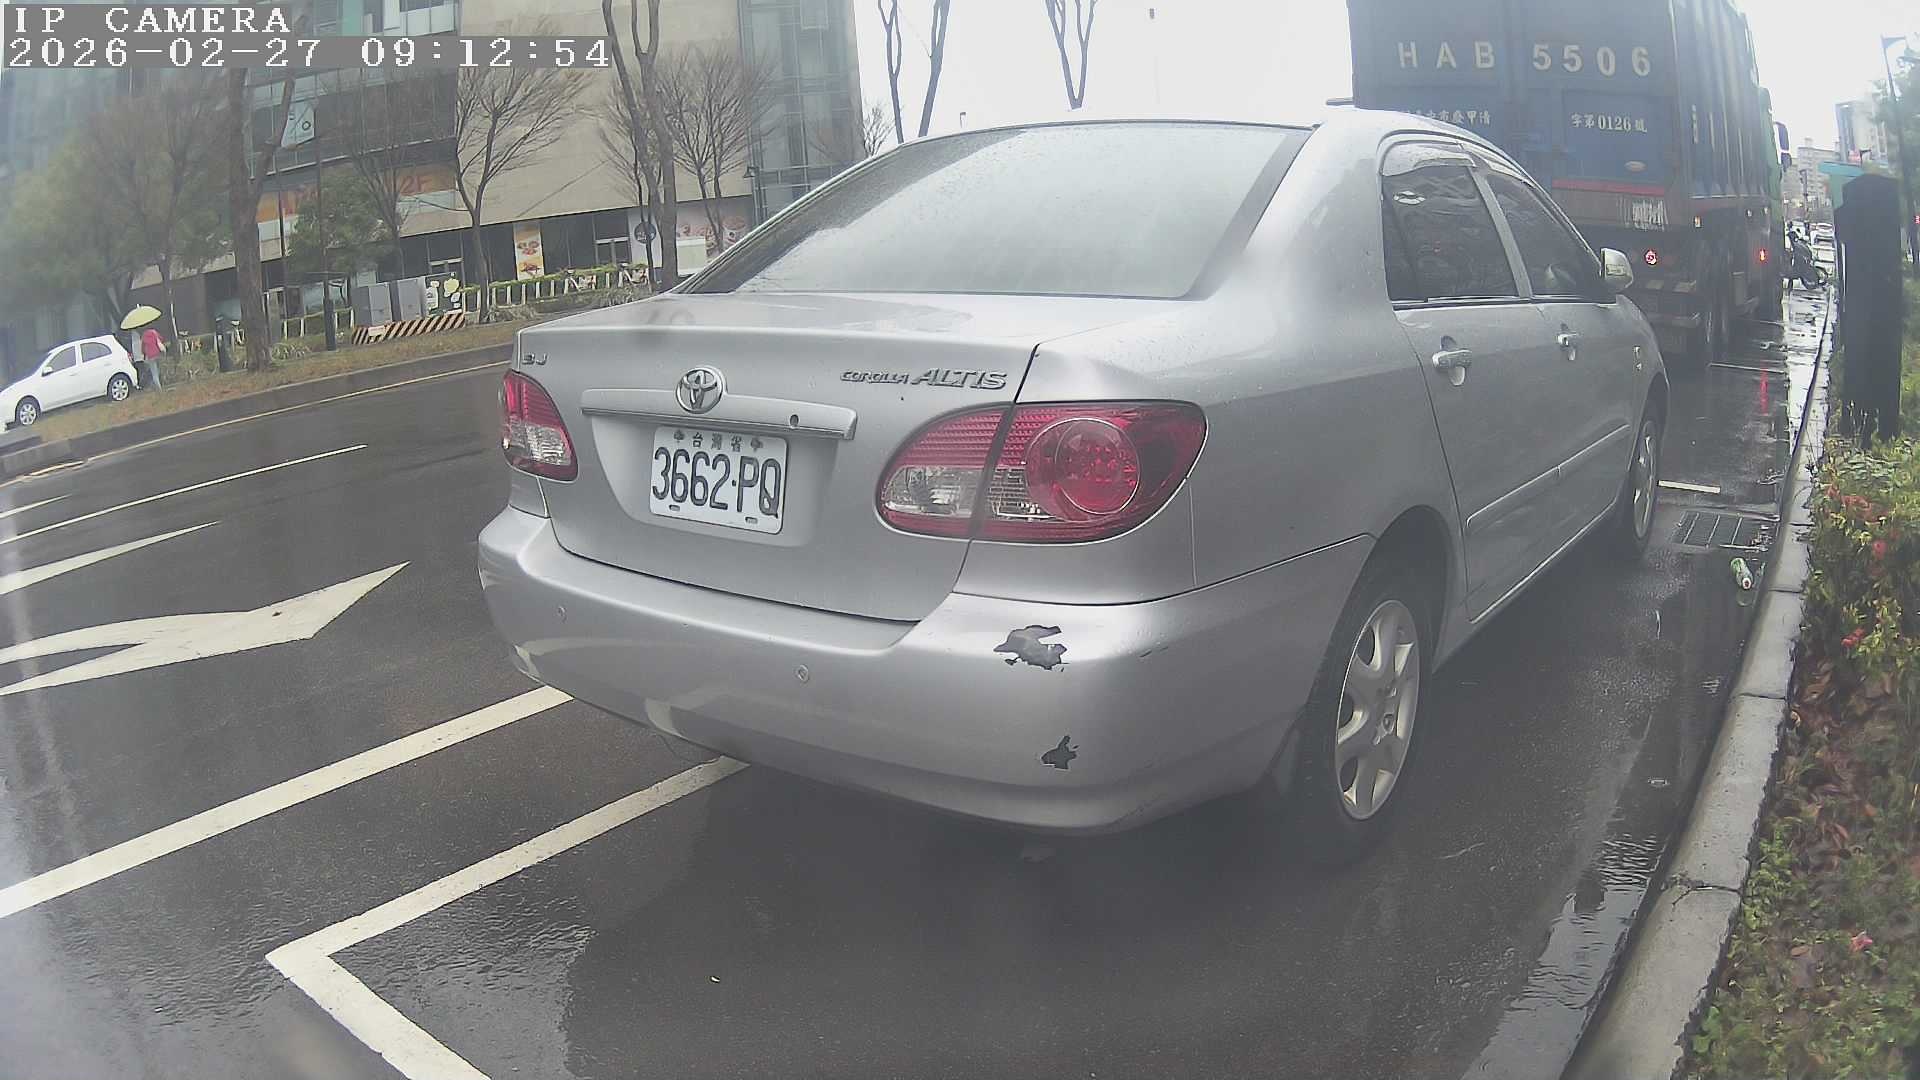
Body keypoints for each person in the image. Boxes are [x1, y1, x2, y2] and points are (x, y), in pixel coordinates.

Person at [1832, 173, 1904, 449]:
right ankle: (1882, 428)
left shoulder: (1854, 224)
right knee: (1881, 363)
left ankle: (1862, 423)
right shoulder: (1886, 216)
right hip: (1882, 304)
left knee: (1864, 360)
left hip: (1863, 304)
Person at [139, 324, 166, 391]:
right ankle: (161, 384)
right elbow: (161, 339)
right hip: (158, 354)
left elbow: (142, 348)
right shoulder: (154, 332)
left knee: (154, 373)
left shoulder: (143, 336)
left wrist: (144, 354)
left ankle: (159, 388)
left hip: (150, 356)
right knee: (159, 369)